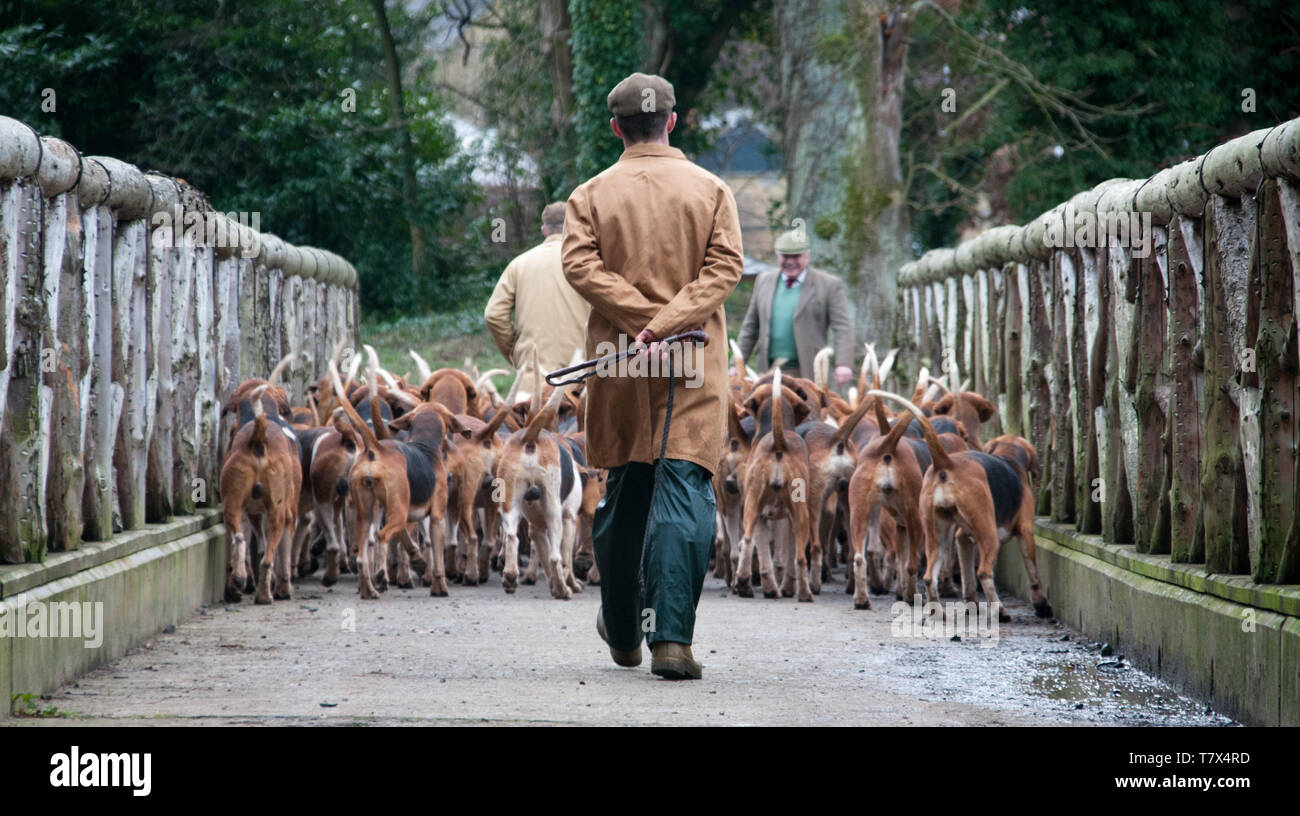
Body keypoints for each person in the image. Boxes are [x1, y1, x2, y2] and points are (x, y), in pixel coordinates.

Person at [562, 72, 744, 680]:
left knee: (626, 488)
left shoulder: (588, 196)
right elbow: (725, 270)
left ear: (615, 127)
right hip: (692, 362)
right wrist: (669, 323)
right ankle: (671, 640)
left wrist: (641, 324)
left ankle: (621, 630)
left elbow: (579, 267)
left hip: (618, 361)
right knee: (685, 487)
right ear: (673, 120)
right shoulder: (712, 189)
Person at [484, 202, 591, 390]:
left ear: (544, 231)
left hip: (533, 383)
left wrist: (517, 354)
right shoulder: (590, 264)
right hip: (581, 381)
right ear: (575, 229)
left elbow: (494, 315)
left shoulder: (519, 265)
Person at [736, 230, 855, 384]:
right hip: (768, 370)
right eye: (785, 256)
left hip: (807, 371)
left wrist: (843, 364)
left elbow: (843, 328)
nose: (790, 262)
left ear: (807, 256)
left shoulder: (829, 284)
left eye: (796, 256)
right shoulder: (763, 280)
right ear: (778, 256)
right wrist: (736, 364)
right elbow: (750, 327)